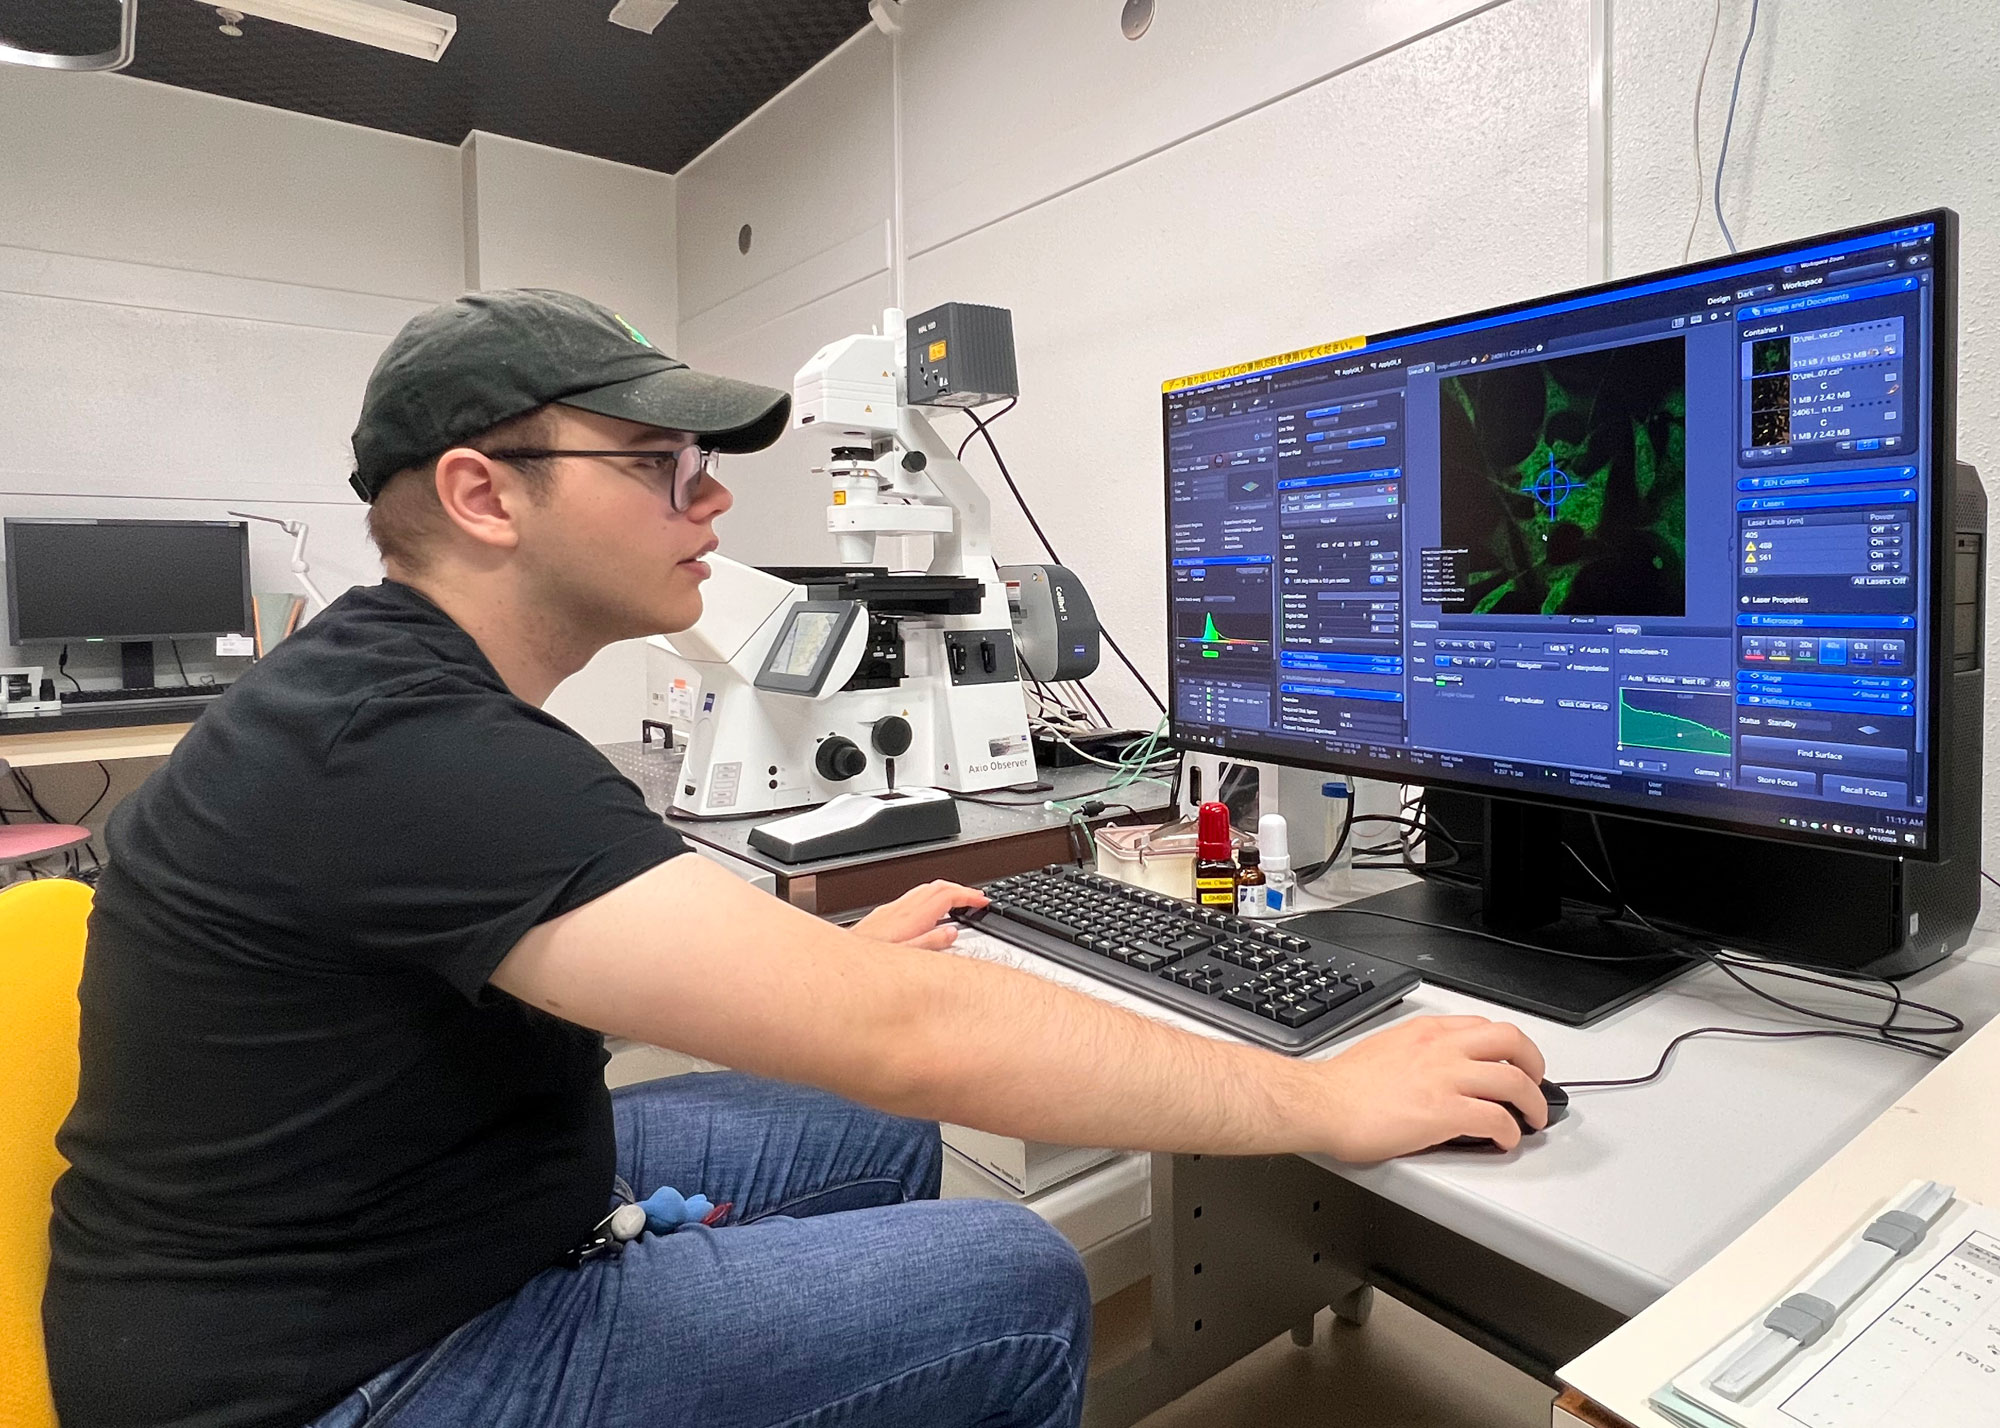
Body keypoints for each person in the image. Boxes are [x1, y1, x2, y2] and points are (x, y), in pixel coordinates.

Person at [43, 289, 1548, 1428]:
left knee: (860, 1135)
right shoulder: (411, 747)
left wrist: (816, 974)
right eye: (658, 464)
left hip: (391, 1209)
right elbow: (908, 1036)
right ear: (481, 493)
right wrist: (1315, 1099)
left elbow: (589, 969)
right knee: (1013, 1274)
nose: (713, 504)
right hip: (336, 1375)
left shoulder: (390, 698)